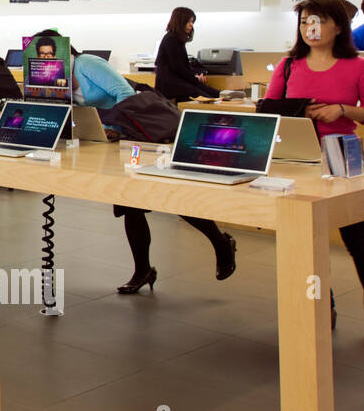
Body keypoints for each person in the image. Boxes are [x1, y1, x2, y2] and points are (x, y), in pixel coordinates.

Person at [34, 28, 239, 295]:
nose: (44, 58)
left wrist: (110, 125)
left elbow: (126, 96)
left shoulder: (87, 64)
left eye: (48, 53)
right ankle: (143, 270)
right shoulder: (55, 76)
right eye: (40, 55)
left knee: (168, 194)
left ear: (63, 50)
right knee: (130, 203)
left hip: (141, 133)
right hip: (111, 141)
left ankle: (221, 242)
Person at [265, 0, 364, 324]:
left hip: (342, 156)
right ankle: (322, 307)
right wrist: (297, 110)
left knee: (358, 238)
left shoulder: (357, 66)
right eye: (306, 21)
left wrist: (343, 110)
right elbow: (266, 109)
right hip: (297, 156)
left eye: (319, 21)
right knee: (304, 239)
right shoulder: (289, 65)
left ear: (339, 27)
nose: (311, 28)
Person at [155, 7, 219, 102]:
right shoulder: (171, 39)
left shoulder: (175, 38)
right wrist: (195, 78)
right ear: (180, 22)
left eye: (192, 22)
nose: (191, 26)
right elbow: (178, 68)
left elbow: (181, 67)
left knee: (215, 93)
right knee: (210, 97)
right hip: (172, 87)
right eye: (189, 22)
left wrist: (195, 76)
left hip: (177, 83)